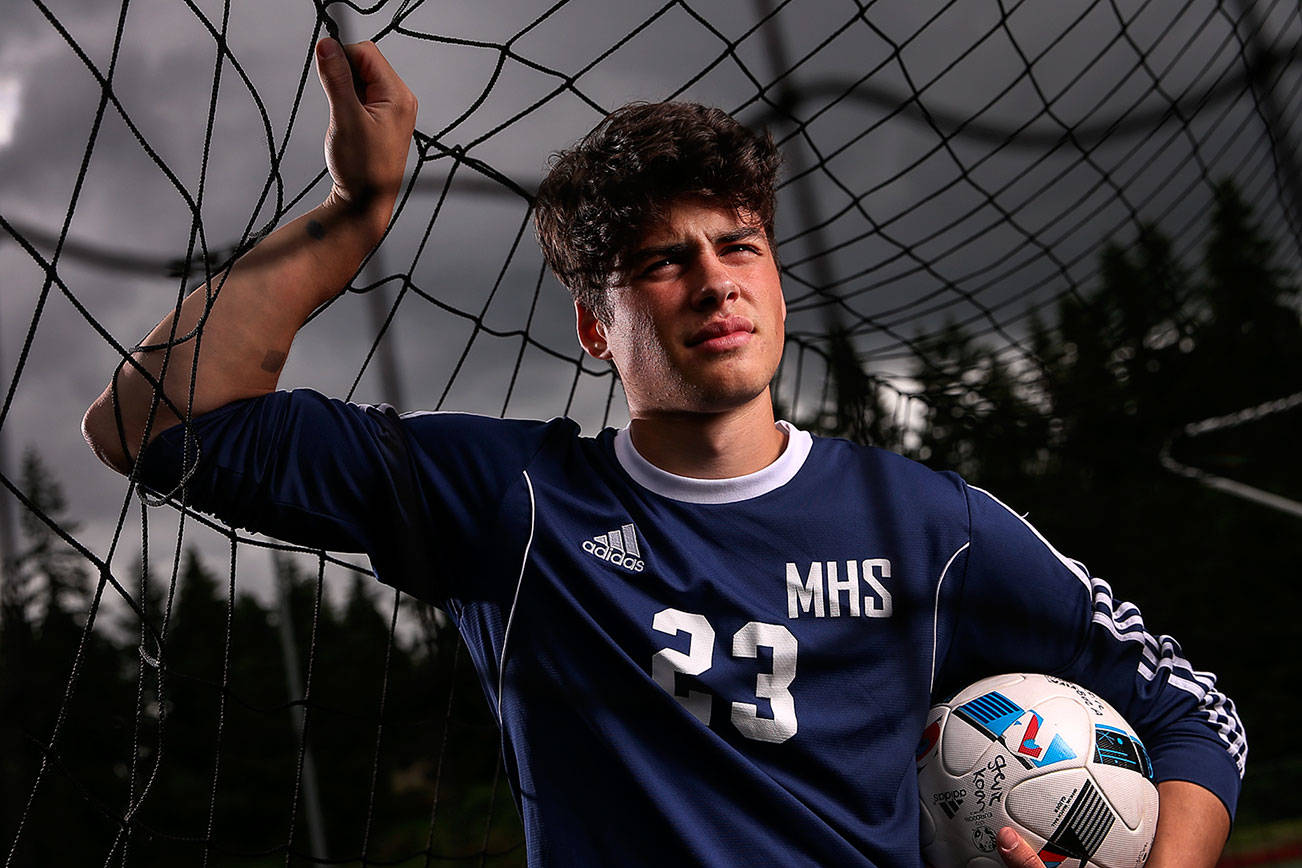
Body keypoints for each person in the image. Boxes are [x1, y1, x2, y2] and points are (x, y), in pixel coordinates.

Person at [83, 38, 1244, 867]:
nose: (714, 279)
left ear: (778, 277)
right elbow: (152, 424)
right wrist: (357, 208)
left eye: (738, 243)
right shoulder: (511, 504)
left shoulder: (931, 526)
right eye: (660, 260)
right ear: (596, 324)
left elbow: (1196, 712)